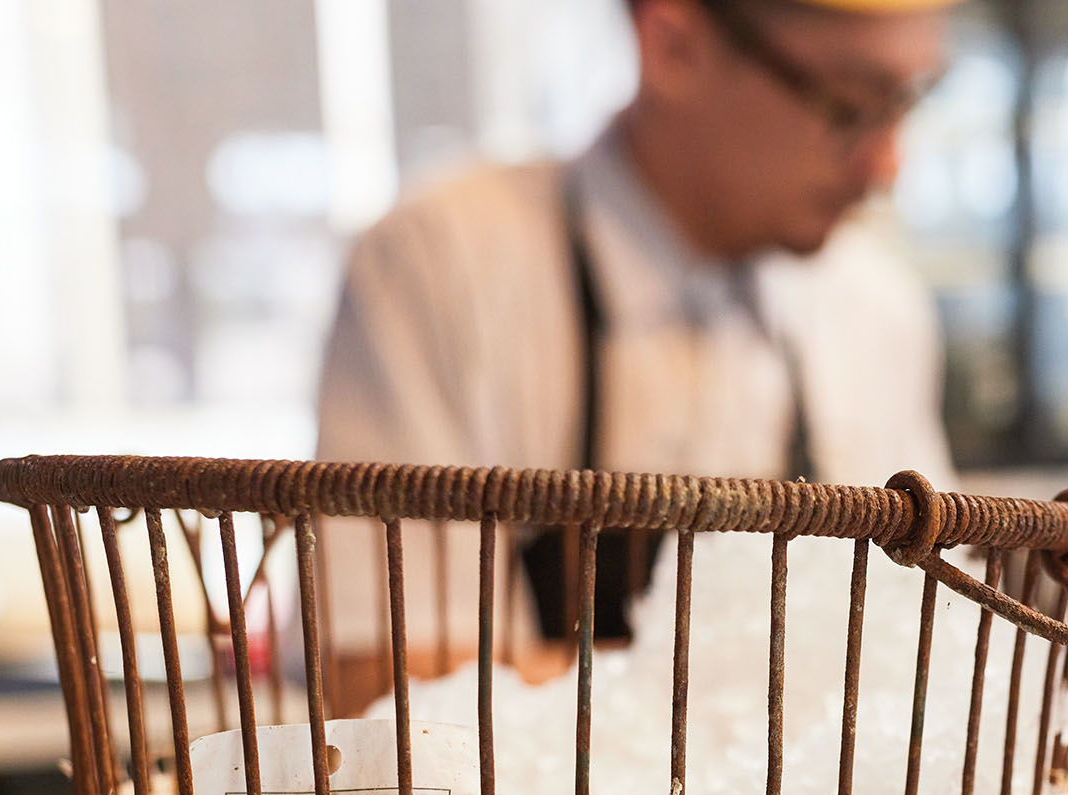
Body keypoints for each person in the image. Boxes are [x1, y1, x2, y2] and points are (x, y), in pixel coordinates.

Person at [315, 0, 958, 685]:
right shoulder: (443, 266)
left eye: (909, 101)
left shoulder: (874, 308)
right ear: (672, 44)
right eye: (849, 105)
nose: (888, 165)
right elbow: (384, 684)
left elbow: (934, 649)